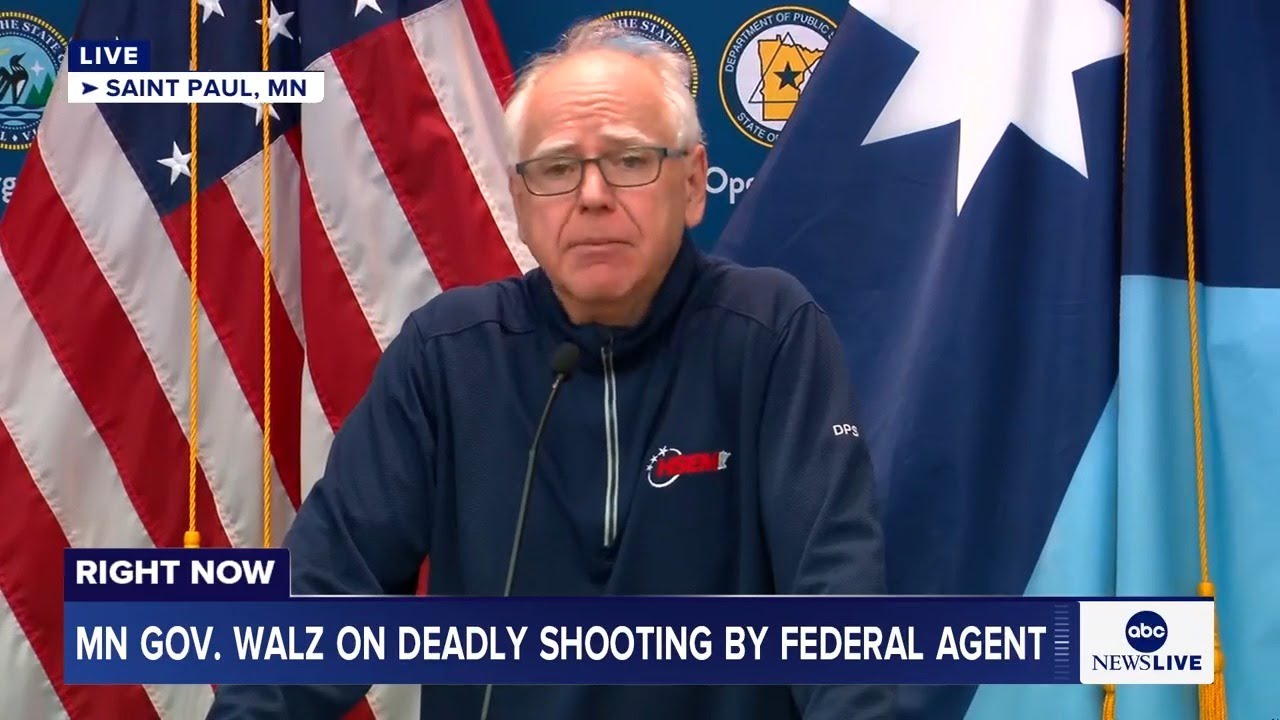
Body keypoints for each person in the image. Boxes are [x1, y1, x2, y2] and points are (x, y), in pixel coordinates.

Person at [207, 18, 893, 720]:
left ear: (692, 184)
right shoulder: (449, 355)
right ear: (520, 201)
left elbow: (835, 607)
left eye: (629, 160)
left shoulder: (769, 333)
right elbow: (321, 600)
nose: (592, 195)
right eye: (558, 169)